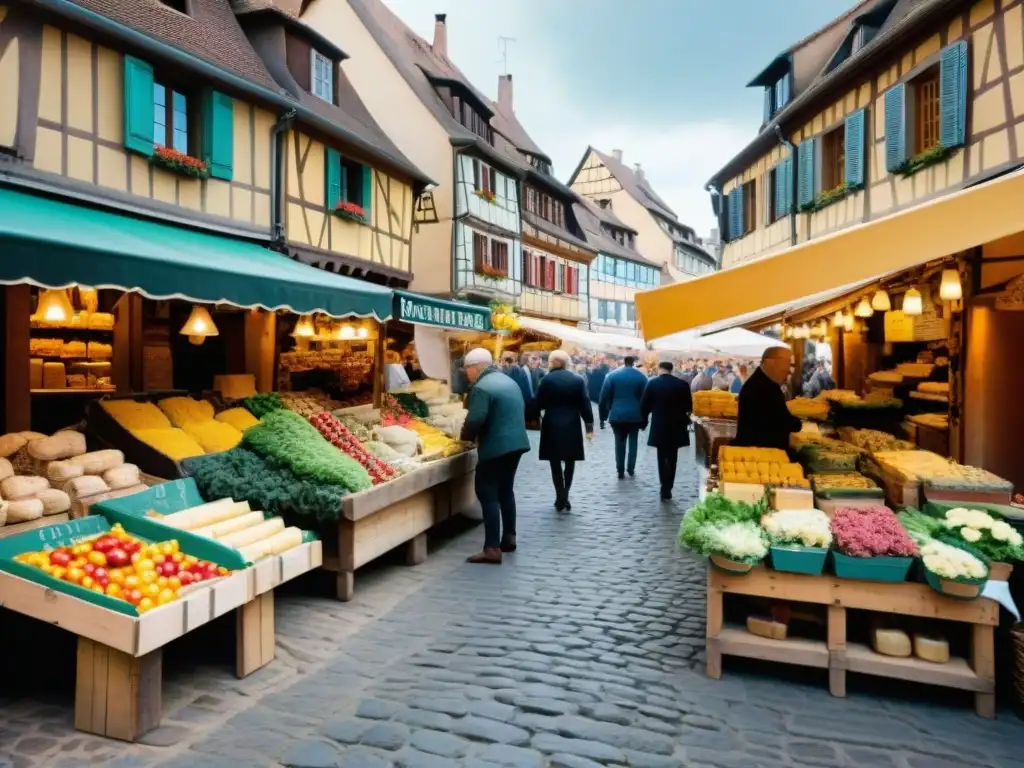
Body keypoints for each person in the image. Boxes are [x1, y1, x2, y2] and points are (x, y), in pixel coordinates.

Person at [460, 348, 530, 564]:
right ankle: (509, 537)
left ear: (475, 367)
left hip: (496, 446)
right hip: (517, 443)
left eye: (467, 370)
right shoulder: (507, 381)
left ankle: (491, 548)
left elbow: (475, 419)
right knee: (505, 489)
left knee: (487, 492)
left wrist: (465, 438)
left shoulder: (482, 387)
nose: (466, 375)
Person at [535, 350, 594, 511]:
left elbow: (538, 402)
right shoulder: (578, 380)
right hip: (572, 423)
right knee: (570, 460)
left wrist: (532, 417)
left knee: (554, 462)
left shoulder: (546, 380)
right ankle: (565, 493)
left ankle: (559, 494)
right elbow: (585, 403)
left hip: (552, 422)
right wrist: (589, 425)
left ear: (553, 362)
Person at [641, 361, 693, 501]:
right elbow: (689, 407)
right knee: (673, 457)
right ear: (672, 369)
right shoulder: (682, 385)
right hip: (677, 426)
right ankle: (669, 486)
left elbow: (645, 405)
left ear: (660, 369)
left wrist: (643, 422)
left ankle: (663, 486)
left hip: (660, 425)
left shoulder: (653, 383)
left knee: (661, 456)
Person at [733, 347, 802, 451]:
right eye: (787, 362)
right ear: (771, 362)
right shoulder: (760, 387)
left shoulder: (764, 383)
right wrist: (797, 423)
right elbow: (778, 421)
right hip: (757, 456)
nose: (789, 370)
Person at [599, 355, 648, 479]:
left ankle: (620, 469)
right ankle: (631, 468)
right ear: (633, 363)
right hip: (635, 415)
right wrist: (645, 418)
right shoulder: (641, 377)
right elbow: (646, 399)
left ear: (623, 362)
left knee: (619, 442)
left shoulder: (611, 376)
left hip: (617, 414)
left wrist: (603, 417)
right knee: (633, 441)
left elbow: (603, 397)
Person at [587, 356, 611, 428]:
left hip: (595, 394)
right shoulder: (607, 375)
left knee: (601, 406)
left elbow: (589, 382)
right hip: (604, 392)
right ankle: (604, 419)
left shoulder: (593, 374)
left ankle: (602, 420)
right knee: (605, 406)